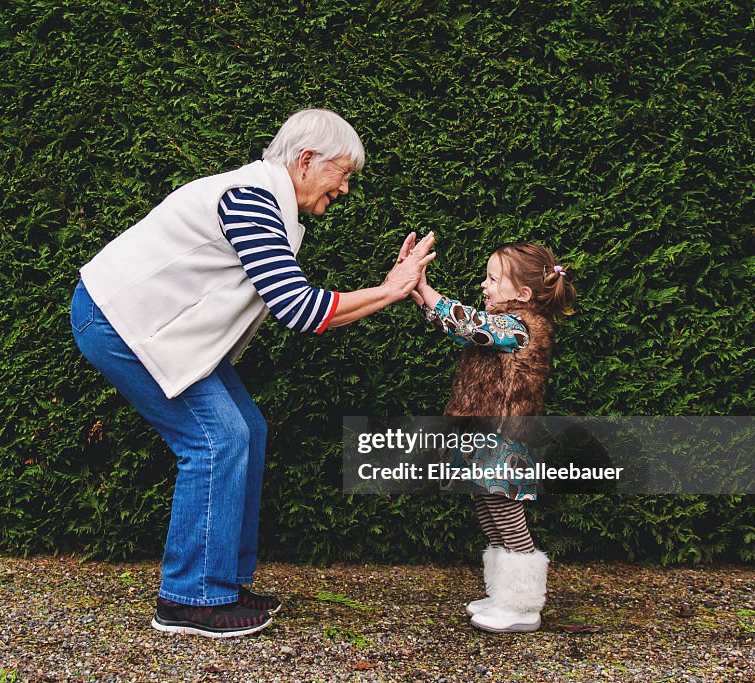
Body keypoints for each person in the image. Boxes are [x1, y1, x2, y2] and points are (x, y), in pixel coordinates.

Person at [71, 109, 436, 638]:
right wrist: (391, 289)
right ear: (306, 160)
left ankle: (221, 584)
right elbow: (301, 311)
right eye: (344, 172)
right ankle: (190, 600)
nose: (347, 188)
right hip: (120, 321)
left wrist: (389, 289)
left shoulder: (268, 202)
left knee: (246, 430)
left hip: (153, 327)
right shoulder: (251, 200)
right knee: (216, 439)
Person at [410, 242, 577, 633]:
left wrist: (426, 289)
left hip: (505, 442)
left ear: (522, 295)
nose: (484, 285)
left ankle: (523, 605)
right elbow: (460, 329)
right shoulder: (500, 323)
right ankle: (505, 594)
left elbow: (469, 325)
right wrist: (418, 289)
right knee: (488, 509)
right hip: (482, 438)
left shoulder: (518, 326)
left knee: (506, 514)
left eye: (493, 279)